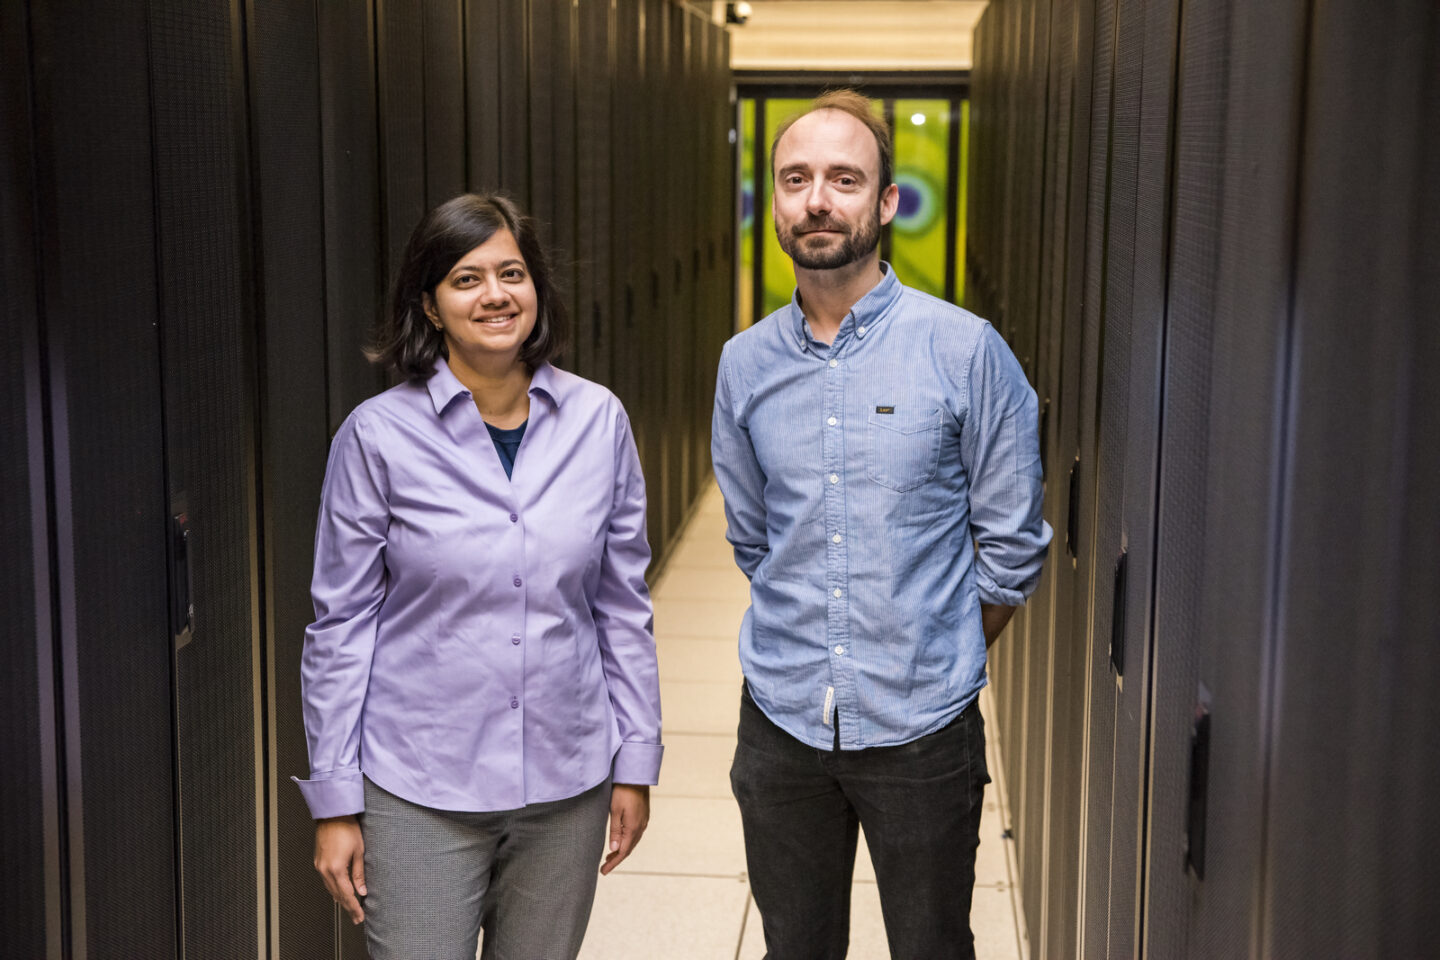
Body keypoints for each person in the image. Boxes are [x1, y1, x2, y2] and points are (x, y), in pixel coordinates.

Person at [711, 90, 1051, 960]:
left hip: (922, 732)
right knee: (795, 946)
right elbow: (755, 539)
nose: (818, 198)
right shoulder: (744, 365)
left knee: (934, 946)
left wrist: (933, 650)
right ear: (774, 201)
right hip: (781, 723)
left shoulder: (966, 350)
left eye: (844, 178)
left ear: (886, 201)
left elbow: (1011, 545)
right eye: (797, 178)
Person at [292, 193, 662, 960]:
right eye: (466, 278)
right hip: (420, 788)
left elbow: (622, 607)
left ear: (537, 290)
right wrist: (334, 802)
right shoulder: (377, 438)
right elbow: (341, 627)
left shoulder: (599, 423)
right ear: (429, 304)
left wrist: (636, 763)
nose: (495, 295)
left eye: (512, 273)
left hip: (568, 783)